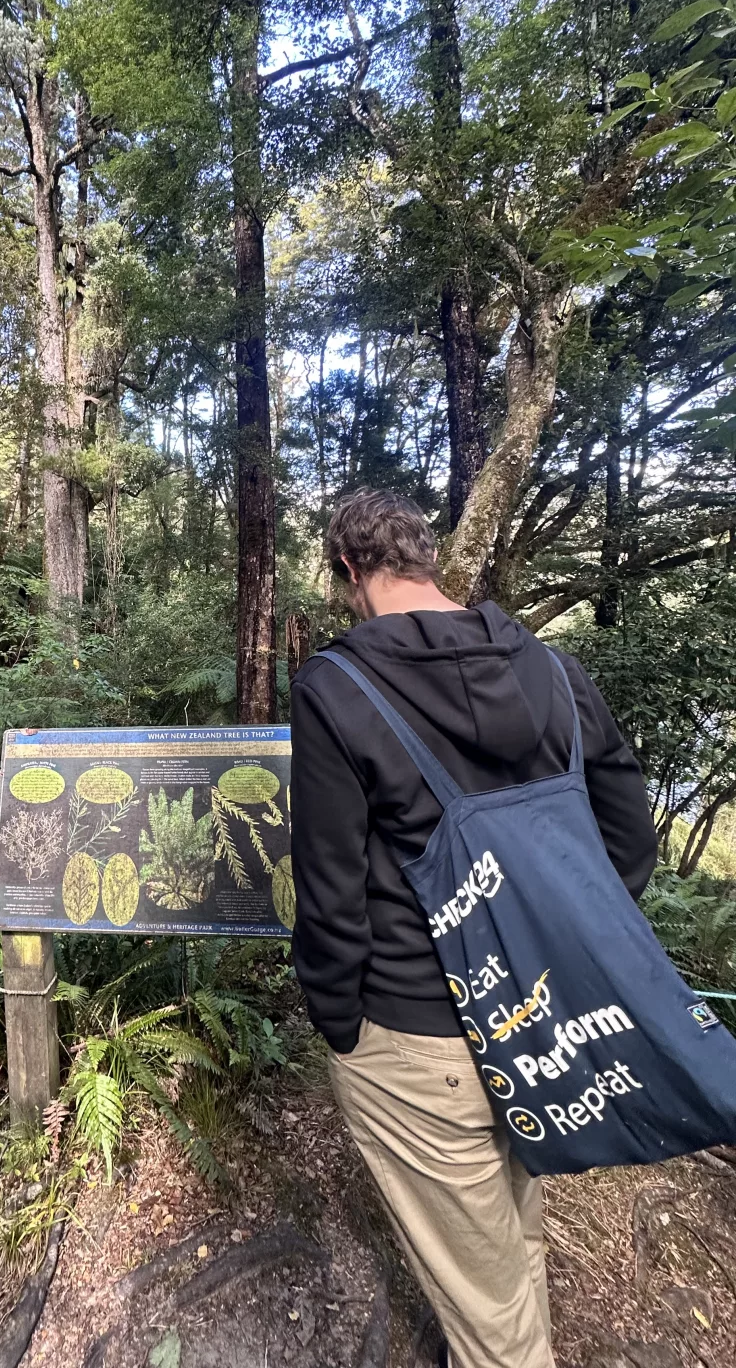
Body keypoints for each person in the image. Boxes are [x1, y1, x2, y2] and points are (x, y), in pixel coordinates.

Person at [290, 488, 658, 1368]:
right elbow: (629, 839)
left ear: (350, 570)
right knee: (507, 1222)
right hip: (541, 1009)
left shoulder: (337, 689)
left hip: (416, 1030)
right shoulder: (554, 670)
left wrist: (341, 1023)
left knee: (488, 1313)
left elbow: (331, 888)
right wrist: (568, 947)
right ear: (426, 558)